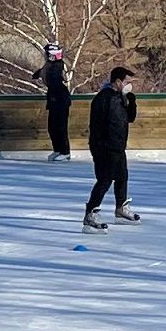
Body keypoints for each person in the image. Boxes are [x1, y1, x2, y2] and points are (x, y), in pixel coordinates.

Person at [83, 65, 140, 228]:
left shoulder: (120, 97)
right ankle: (90, 213)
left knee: (122, 176)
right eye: (127, 82)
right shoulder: (105, 98)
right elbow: (106, 124)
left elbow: (129, 118)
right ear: (118, 81)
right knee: (105, 179)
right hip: (104, 146)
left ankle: (121, 207)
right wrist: (104, 145)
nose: (130, 85)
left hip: (118, 145)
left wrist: (132, 102)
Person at [37, 41, 73, 160]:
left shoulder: (58, 65)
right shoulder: (50, 65)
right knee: (52, 127)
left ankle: (65, 152)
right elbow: (46, 73)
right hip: (54, 99)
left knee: (60, 126)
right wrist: (39, 73)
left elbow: (54, 80)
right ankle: (57, 149)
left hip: (60, 99)